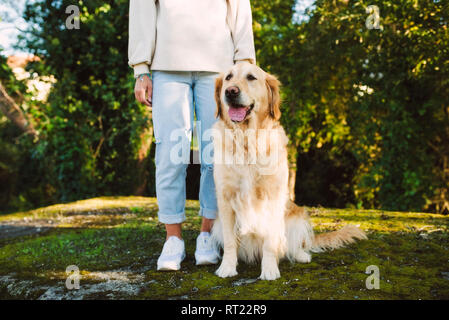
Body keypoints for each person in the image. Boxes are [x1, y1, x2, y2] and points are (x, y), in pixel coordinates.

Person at [128, 0, 256, 271]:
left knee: (215, 155)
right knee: (170, 154)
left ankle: (207, 234)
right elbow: (141, 9)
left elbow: (240, 11)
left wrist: (244, 65)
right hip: (167, 68)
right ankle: (173, 239)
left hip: (219, 70)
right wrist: (141, 70)